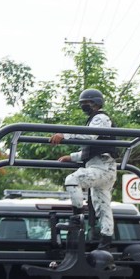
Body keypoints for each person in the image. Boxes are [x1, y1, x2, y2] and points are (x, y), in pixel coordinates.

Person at [50, 88, 118, 250]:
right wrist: (72, 157)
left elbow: (89, 135)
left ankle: (76, 218)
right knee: (102, 205)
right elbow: (90, 150)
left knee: (72, 180)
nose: (83, 107)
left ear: (95, 103)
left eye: (85, 103)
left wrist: (64, 135)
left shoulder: (100, 118)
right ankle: (106, 240)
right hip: (103, 168)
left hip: (102, 167)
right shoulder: (95, 119)